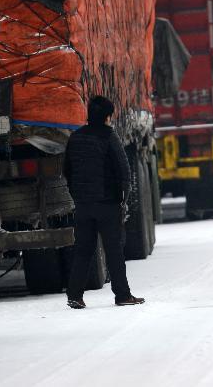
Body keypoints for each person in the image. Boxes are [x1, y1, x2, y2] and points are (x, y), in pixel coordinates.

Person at [64, 96, 145, 309]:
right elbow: (124, 171)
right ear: (108, 117)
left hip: (83, 205)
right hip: (107, 204)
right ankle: (122, 295)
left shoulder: (75, 137)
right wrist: (123, 200)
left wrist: (77, 196)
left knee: (83, 250)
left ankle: (75, 296)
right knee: (114, 251)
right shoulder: (109, 136)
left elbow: (67, 171)